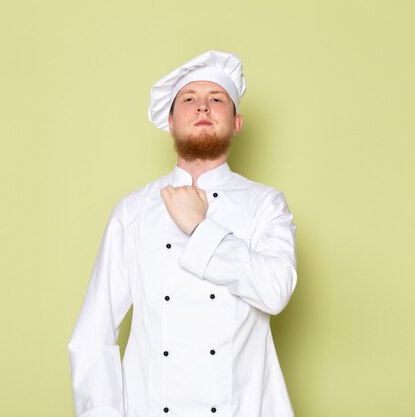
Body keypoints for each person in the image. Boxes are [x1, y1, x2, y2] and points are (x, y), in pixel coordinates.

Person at [68, 50, 297, 417]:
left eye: (216, 99)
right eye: (189, 99)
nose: (202, 107)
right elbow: (93, 336)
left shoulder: (265, 205)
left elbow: (275, 292)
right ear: (171, 122)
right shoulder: (133, 211)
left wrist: (199, 227)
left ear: (236, 122)